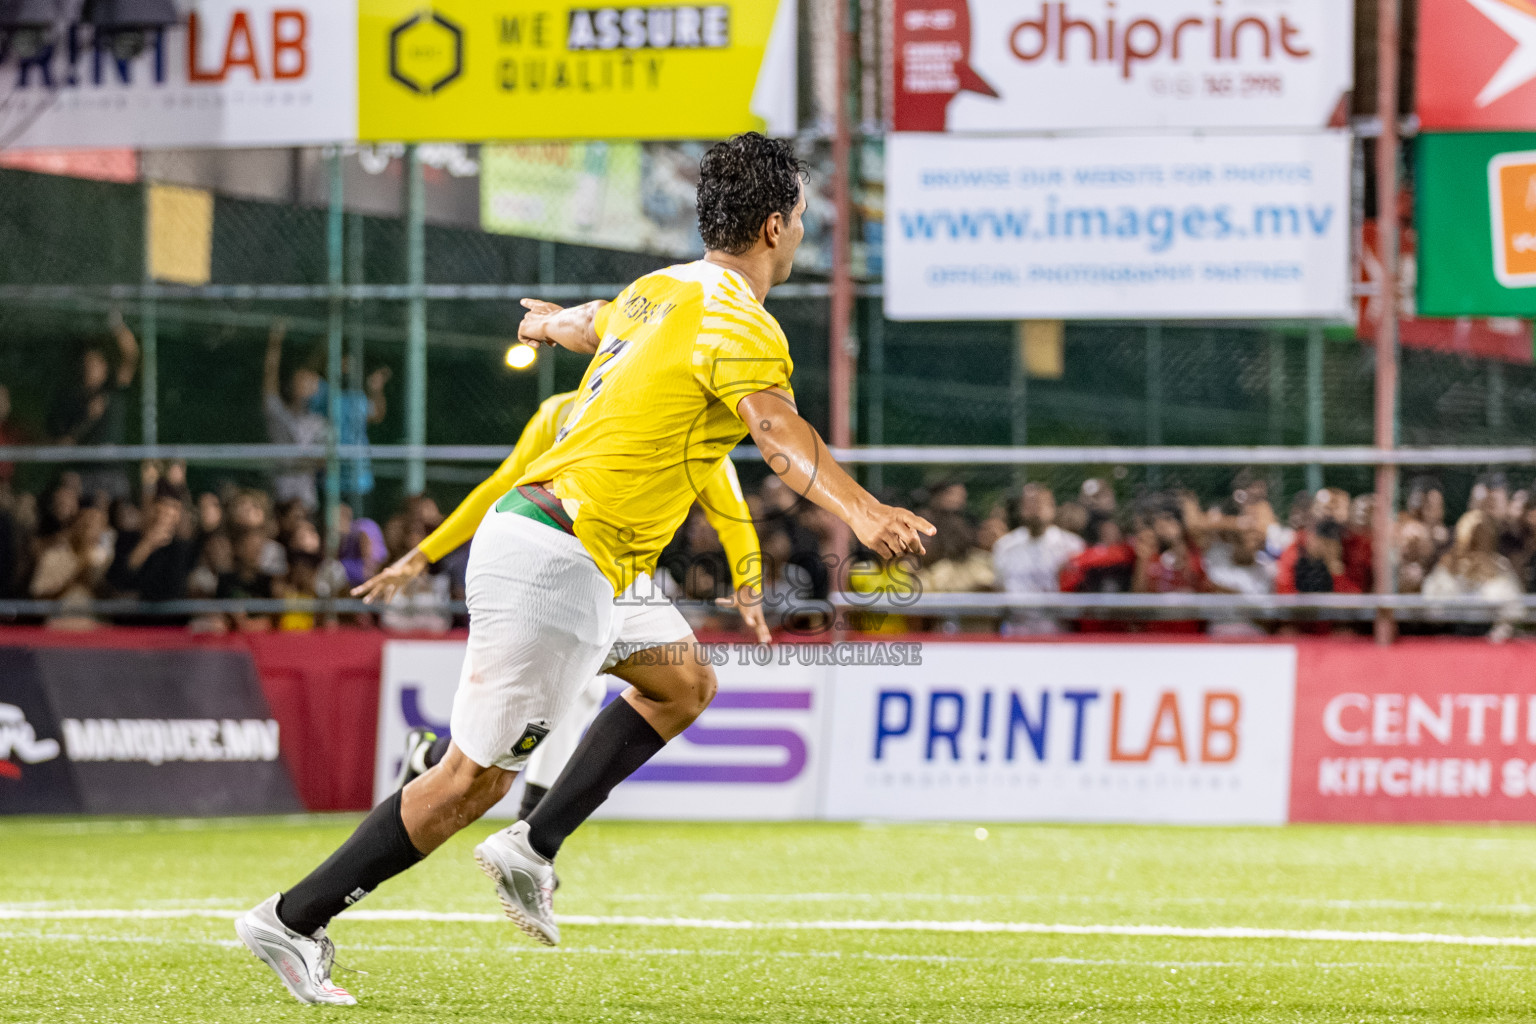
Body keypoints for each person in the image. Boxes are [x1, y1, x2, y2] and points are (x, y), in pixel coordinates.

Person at [233, 132, 935, 1007]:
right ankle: (293, 920)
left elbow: (592, 320)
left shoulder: (661, 289)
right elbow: (775, 429)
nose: (800, 230)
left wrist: (544, 325)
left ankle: (531, 846)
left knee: (684, 683)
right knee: (469, 783)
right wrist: (863, 511)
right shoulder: (744, 323)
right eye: (798, 216)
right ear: (773, 226)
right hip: (556, 563)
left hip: (582, 558)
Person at [47, 310, 139, 502]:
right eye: (87, 364)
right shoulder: (70, 401)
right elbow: (62, 445)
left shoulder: (113, 391)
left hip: (112, 472)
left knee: (122, 498)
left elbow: (130, 357)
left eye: (96, 364)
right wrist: (88, 418)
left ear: (105, 368)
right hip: (82, 473)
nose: (90, 368)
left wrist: (117, 325)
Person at [992, 483, 1084, 635]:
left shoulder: (1072, 546)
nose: (1035, 508)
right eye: (1030, 503)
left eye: (1040, 503)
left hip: (1057, 630)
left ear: (1052, 507)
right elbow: (999, 590)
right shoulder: (1005, 546)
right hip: (1016, 630)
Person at [262, 320, 327, 512]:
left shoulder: (318, 422)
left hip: (306, 499)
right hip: (280, 496)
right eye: (300, 381)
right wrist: (275, 341)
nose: (306, 386)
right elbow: (270, 376)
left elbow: (322, 461)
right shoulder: (277, 412)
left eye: (310, 383)